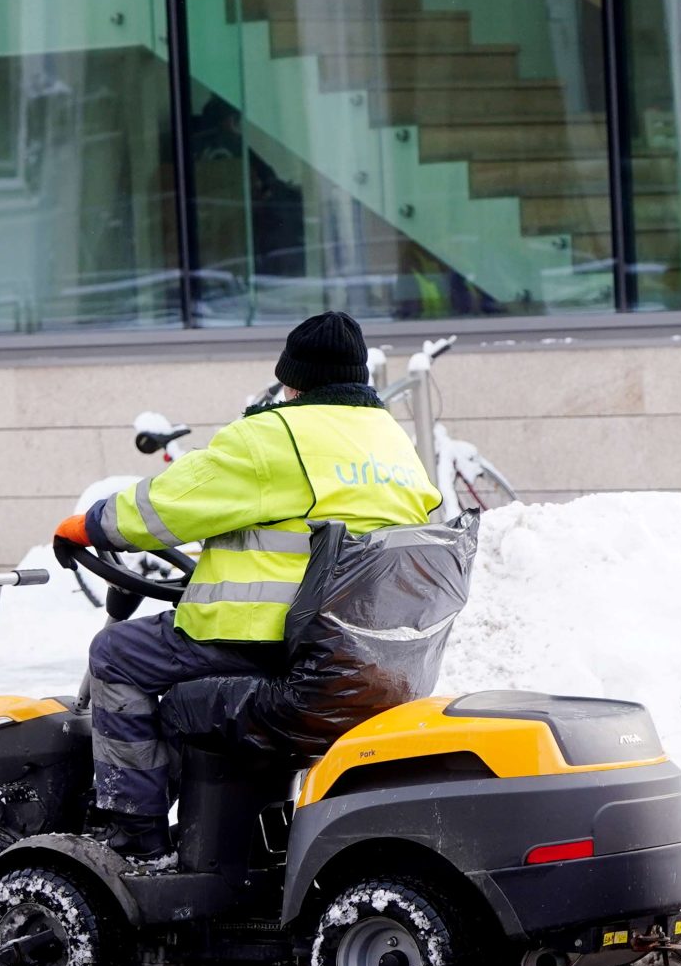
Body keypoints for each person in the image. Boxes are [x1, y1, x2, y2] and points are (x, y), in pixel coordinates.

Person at [55, 310, 440, 860]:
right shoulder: (393, 445)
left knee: (116, 653)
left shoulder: (274, 435)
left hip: (276, 649)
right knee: (174, 686)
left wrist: (88, 526)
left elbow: (164, 505)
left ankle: (133, 838)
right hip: (373, 662)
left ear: (293, 379)